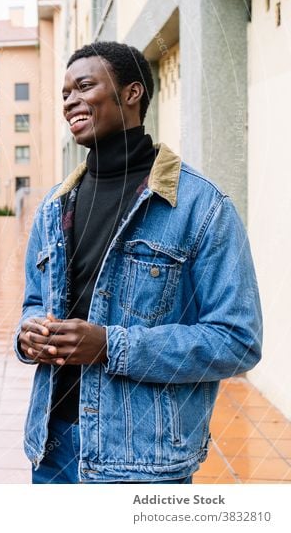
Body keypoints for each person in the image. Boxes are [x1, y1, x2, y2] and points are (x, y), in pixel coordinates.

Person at [15, 42, 262, 483]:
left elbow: (238, 341)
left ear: (132, 93)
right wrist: (29, 335)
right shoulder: (54, 207)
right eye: (65, 91)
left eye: (85, 85)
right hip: (52, 448)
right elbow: (35, 304)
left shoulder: (200, 206)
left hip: (141, 463)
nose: (70, 99)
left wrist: (112, 345)